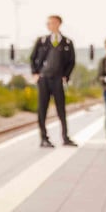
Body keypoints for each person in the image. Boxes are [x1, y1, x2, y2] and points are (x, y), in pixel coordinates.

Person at [30, 14, 77, 148]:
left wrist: (66, 76)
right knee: (42, 109)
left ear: (58, 24)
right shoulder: (42, 41)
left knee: (61, 109)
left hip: (58, 80)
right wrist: (35, 73)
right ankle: (44, 138)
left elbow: (71, 61)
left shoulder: (67, 42)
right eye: (48, 23)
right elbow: (33, 58)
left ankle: (65, 137)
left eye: (52, 22)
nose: (49, 25)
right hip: (44, 79)